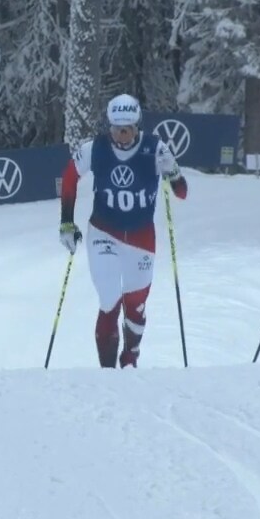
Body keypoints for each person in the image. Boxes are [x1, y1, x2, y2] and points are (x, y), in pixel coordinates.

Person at [58, 94, 188, 368]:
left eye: (128, 127)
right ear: (109, 125)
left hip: (141, 239)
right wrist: (67, 222)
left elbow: (182, 192)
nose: (122, 133)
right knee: (109, 299)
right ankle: (107, 374)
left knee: (136, 305)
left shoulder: (155, 148)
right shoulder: (95, 148)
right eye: (117, 127)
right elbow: (69, 178)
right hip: (104, 232)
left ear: (137, 125)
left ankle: (130, 358)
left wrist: (173, 173)